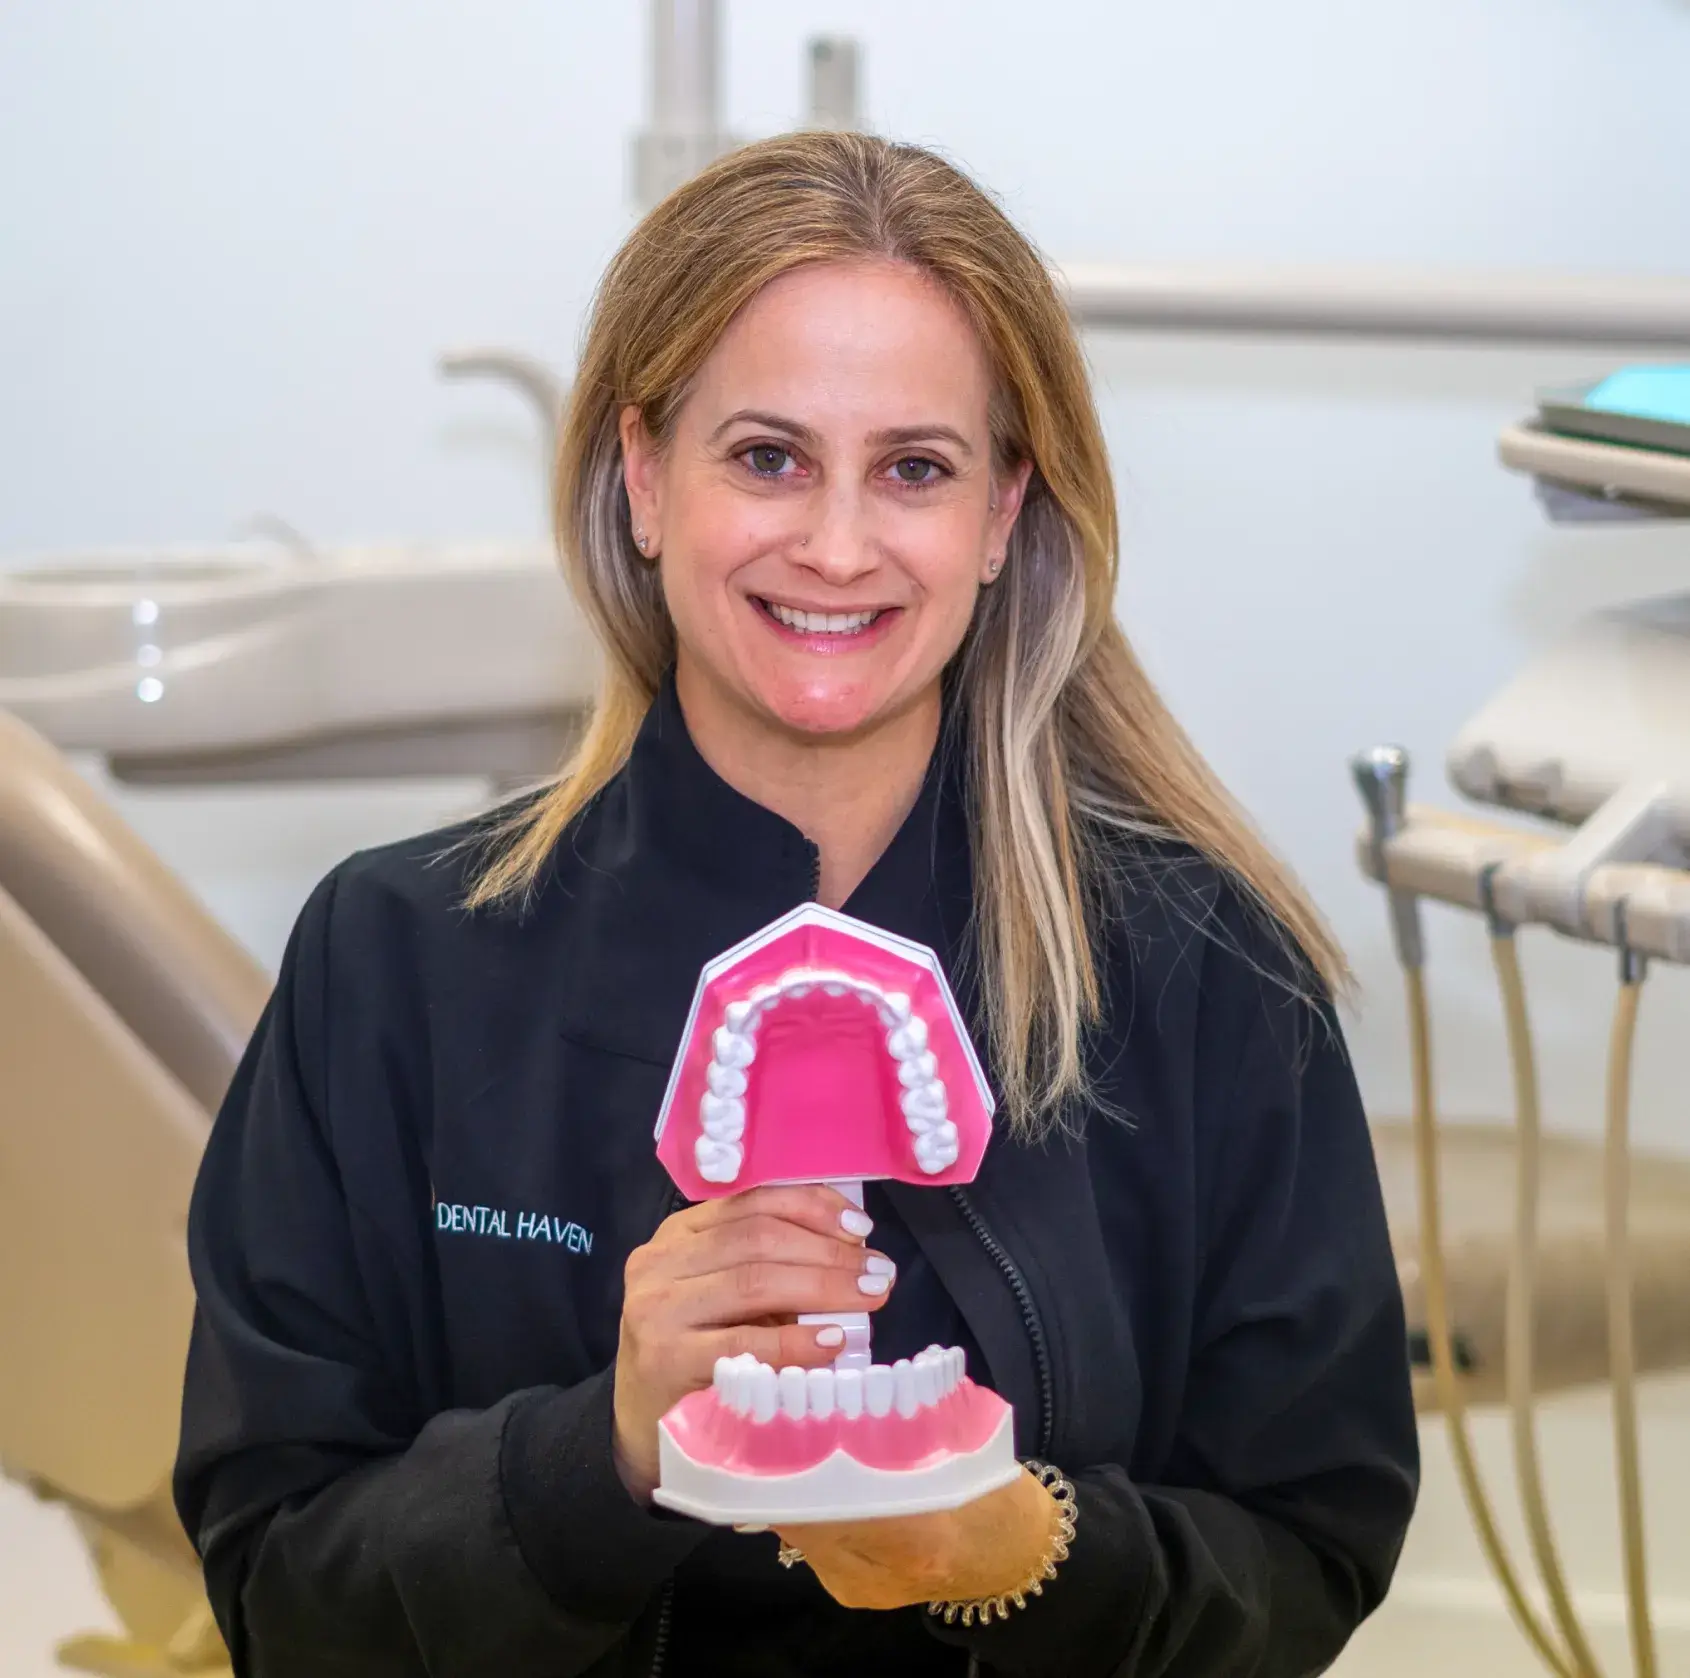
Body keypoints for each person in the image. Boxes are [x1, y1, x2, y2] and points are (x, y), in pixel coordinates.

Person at [174, 131, 1417, 1677]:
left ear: (1000, 516)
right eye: (766, 456)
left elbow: (1310, 1544)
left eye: (913, 468)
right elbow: (278, 1589)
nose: (835, 545)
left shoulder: (1206, 975)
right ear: (642, 477)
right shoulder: (396, 961)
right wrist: (600, 1453)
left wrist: (1029, 1552)